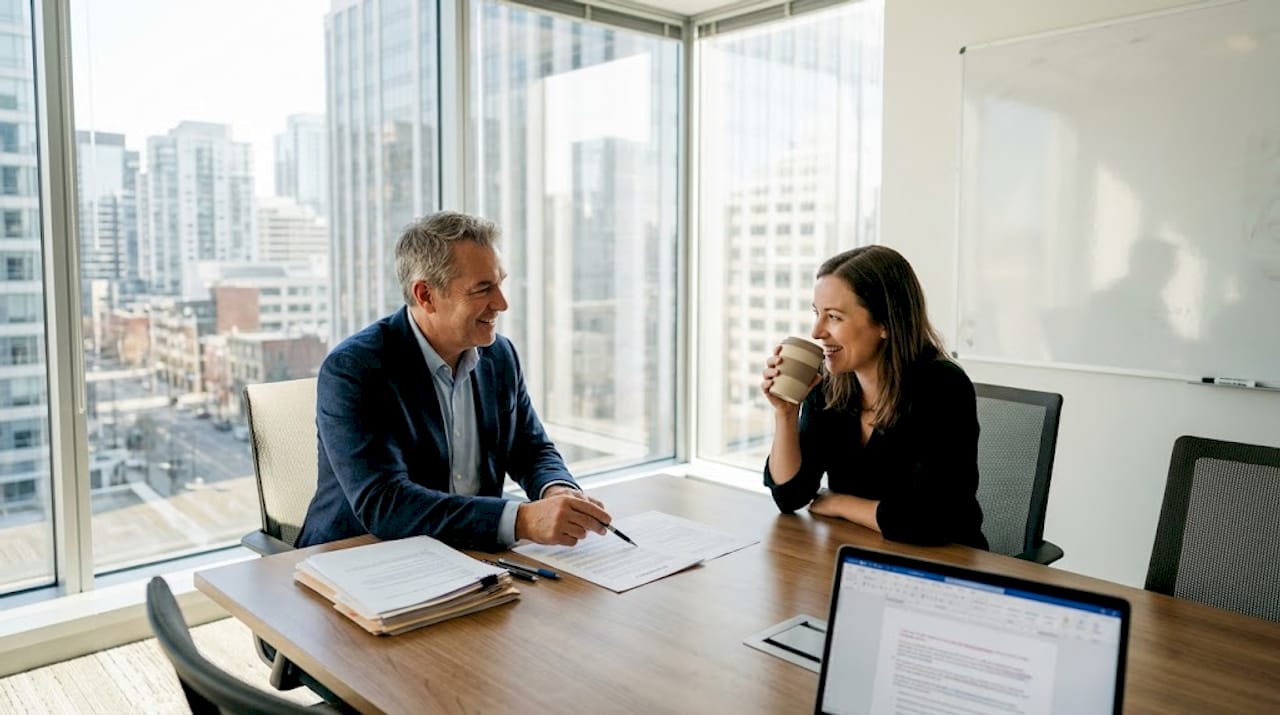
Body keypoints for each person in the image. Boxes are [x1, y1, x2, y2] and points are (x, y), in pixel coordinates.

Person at [295, 211, 612, 551]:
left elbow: (530, 449)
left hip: (469, 554)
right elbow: (385, 503)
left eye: (500, 283)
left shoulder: (499, 356)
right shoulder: (355, 369)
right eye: (482, 289)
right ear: (425, 295)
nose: (501, 303)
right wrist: (522, 521)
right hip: (361, 556)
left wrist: (556, 488)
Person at [759, 245, 987, 549]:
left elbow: (931, 519)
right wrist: (786, 413)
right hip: (861, 552)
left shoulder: (942, 386)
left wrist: (840, 504)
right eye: (817, 314)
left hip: (944, 562)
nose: (816, 331)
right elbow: (790, 496)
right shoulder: (828, 385)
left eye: (834, 317)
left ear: (884, 323)